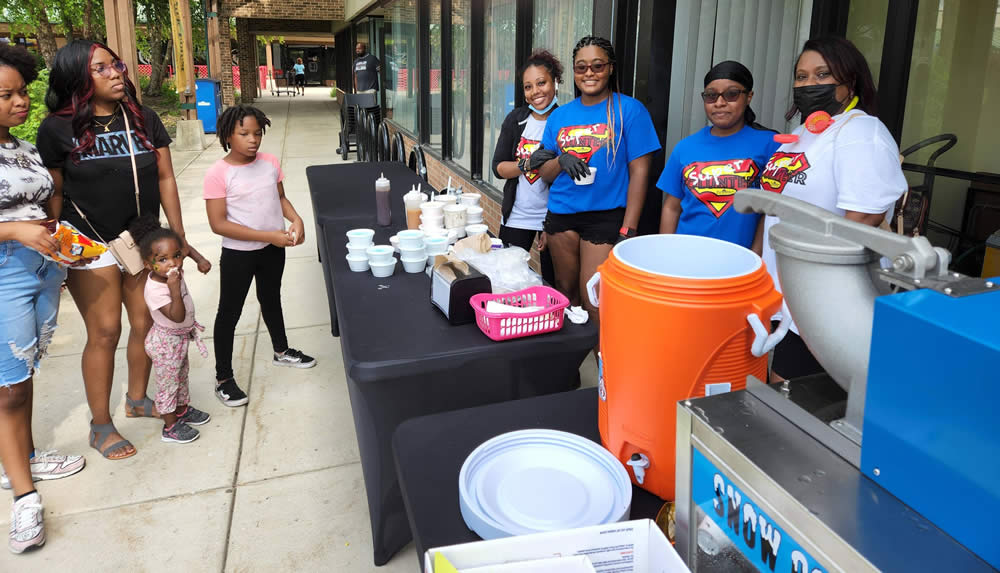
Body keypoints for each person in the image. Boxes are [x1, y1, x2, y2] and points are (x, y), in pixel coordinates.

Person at [36, 40, 212, 461]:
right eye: (101, 68)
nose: (117, 73)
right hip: (89, 245)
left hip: (142, 242)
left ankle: (137, 399)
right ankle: (100, 425)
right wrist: (54, 254)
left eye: (116, 64)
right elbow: (54, 195)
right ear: (78, 77)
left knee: (145, 324)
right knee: (105, 331)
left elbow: (166, 178)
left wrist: (179, 239)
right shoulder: (58, 130)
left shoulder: (142, 119)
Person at [760, 36, 906, 381]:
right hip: (789, 298)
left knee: (804, 409)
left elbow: (861, 221)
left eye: (823, 75)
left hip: (828, 304)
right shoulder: (803, 133)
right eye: (801, 76)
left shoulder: (861, 132)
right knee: (783, 403)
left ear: (849, 81)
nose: (809, 84)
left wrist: (818, 307)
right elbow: (774, 214)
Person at [0, 43, 85, 555]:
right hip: (7, 272)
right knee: (8, 386)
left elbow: (42, 204)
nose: (19, 102)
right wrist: (13, 230)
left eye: (20, 92)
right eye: (4, 96)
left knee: (25, 374)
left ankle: (23, 455)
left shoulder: (25, 148)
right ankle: (24, 498)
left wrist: (61, 240)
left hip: (44, 267)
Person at [529, 36, 660, 338]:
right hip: (562, 212)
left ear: (610, 68)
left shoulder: (631, 110)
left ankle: (605, 369)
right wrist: (561, 160)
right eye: (581, 67)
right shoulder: (560, 116)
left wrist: (629, 228)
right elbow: (545, 173)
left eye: (597, 66)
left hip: (605, 216)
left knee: (595, 300)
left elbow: (640, 172)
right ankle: (573, 359)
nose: (589, 73)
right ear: (573, 73)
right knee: (566, 292)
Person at [204, 105, 315, 408]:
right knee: (229, 313)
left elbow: (279, 197)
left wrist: (296, 219)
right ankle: (223, 378)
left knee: (271, 297)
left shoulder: (269, 163)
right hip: (239, 255)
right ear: (228, 135)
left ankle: (282, 351)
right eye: (244, 134)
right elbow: (219, 224)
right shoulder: (218, 173)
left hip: (273, 250)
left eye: (257, 133)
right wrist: (270, 236)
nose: (253, 140)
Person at [657, 61, 779, 253]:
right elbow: (672, 208)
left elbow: (771, 211)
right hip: (687, 256)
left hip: (741, 260)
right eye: (711, 96)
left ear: (749, 97)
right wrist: (666, 252)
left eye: (731, 94)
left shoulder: (770, 145)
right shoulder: (685, 147)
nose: (720, 103)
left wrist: (756, 255)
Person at [131, 215, 211, 444]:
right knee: (168, 383)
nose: (173, 263)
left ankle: (182, 410)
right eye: (163, 259)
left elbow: (185, 248)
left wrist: (199, 258)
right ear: (148, 265)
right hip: (165, 343)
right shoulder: (156, 289)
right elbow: (177, 315)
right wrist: (174, 290)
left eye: (176, 256)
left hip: (179, 339)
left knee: (182, 375)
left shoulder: (171, 271)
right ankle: (170, 426)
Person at [491, 49, 561, 285]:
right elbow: (498, 167)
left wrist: (550, 225)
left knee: (551, 282)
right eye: (528, 87)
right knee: (507, 280)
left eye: (541, 83)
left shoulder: (566, 119)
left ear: (555, 82)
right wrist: (528, 163)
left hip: (554, 219)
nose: (535, 92)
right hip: (517, 216)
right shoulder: (516, 119)